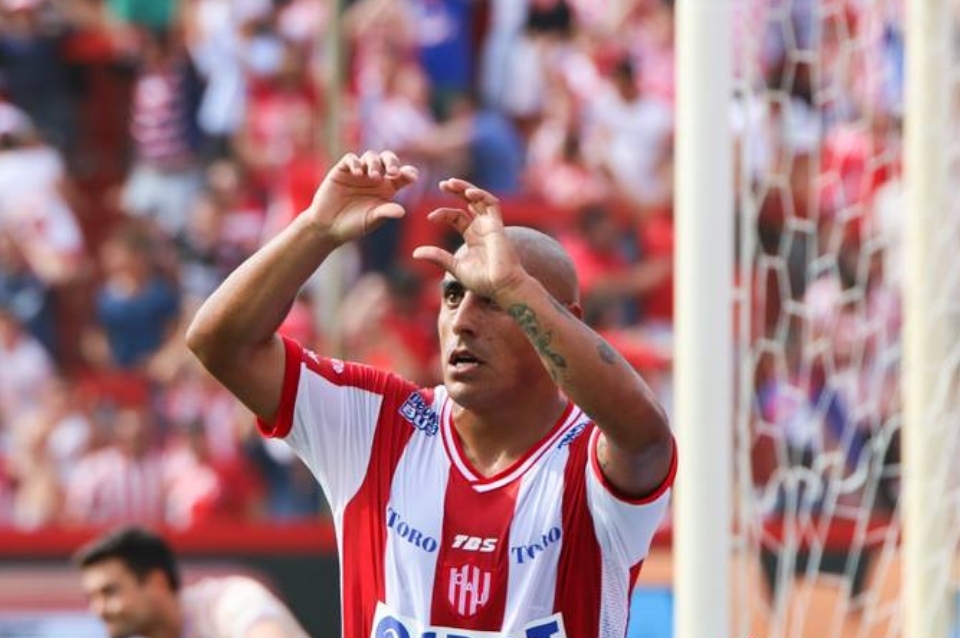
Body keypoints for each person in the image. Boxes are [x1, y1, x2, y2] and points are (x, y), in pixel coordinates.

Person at [186, 150, 677, 636]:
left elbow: (646, 435)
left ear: (563, 319)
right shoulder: (377, 423)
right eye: (452, 296)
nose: (462, 322)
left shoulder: (591, 458)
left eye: (493, 301)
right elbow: (221, 344)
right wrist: (315, 229)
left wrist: (514, 283)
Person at [74, 525, 309, 638]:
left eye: (109, 592)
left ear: (157, 582)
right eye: (92, 597)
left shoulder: (229, 601)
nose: (99, 609)